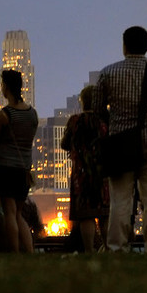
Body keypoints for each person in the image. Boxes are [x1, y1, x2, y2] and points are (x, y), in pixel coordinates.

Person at [94, 26, 147, 253]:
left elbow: (97, 107)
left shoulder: (108, 73)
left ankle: (117, 246)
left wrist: (116, 121)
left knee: (120, 199)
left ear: (124, 46)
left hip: (120, 143)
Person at [0, 69, 39, 253]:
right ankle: (29, 250)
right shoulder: (32, 114)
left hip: (5, 168)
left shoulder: (3, 115)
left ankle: (15, 253)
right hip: (23, 169)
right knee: (18, 214)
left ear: (6, 88)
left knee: (9, 213)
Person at [59, 84, 108, 254]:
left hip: (81, 173)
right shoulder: (104, 121)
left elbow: (64, 144)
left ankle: (89, 250)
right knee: (104, 213)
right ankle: (108, 248)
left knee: (86, 214)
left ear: (83, 101)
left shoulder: (75, 121)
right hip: (102, 172)